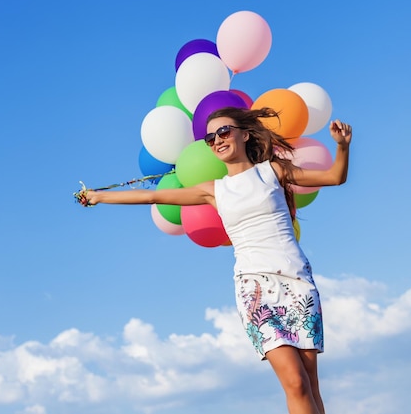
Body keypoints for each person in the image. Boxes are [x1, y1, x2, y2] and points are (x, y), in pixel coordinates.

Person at [79, 107, 352, 414]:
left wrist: (342, 146)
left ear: (244, 134)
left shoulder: (273, 171)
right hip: (255, 289)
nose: (217, 140)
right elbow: (152, 197)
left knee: (310, 384)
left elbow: (334, 177)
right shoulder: (215, 191)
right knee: (295, 383)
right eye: (210, 138)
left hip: (297, 283)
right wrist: (100, 196)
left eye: (224, 132)